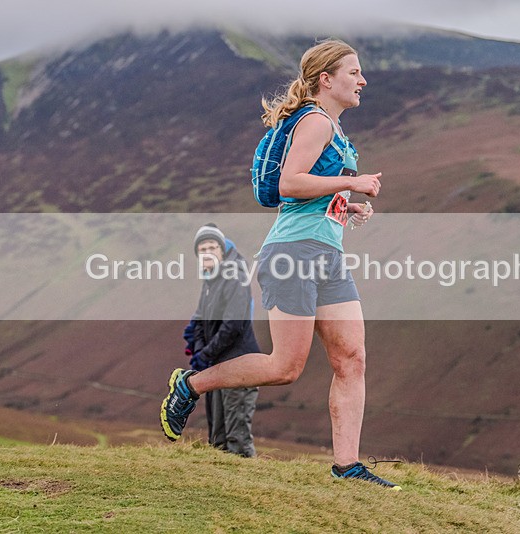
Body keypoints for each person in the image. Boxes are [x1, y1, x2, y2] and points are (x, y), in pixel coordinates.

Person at [161, 39, 400, 489]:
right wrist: (353, 181)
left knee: (352, 358)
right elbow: (290, 184)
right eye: (354, 72)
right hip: (293, 254)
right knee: (284, 367)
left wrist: (345, 206)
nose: (363, 80)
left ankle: (347, 466)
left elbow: (308, 193)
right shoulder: (313, 120)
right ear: (326, 79)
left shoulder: (334, 127)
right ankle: (190, 385)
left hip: (327, 254)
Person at [185, 224, 260, 458]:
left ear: (222, 250)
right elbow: (198, 320)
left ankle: (251, 488)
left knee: (236, 437)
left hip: (239, 364)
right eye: (202, 249)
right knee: (217, 438)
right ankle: (224, 489)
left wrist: (205, 354)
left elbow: (233, 325)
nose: (207, 252)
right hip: (219, 365)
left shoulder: (234, 278)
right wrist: (199, 352)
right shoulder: (211, 280)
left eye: (212, 247)